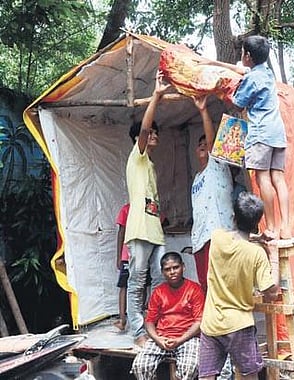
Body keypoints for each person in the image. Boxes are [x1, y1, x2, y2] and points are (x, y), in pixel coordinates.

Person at [201, 35, 291, 241]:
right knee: (279, 178)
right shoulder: (266, 73)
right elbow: (241, 70)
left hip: (261, 133)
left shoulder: (252, 79)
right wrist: (212, 62)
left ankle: (271, 227)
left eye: (242, 53)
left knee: (263, 178)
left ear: (248, 56)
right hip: (277, 132)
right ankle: (285, 227)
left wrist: (218, 91)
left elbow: (238, 104)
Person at [198, 192, 280, 380]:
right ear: (258, 222)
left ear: (234, 218)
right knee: (250, 376)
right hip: (239, 325)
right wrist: (273, 254)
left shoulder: (217, 238)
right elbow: (272, 292)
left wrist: (257, 237)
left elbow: (235, 238)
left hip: (211, 323)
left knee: (206, 377)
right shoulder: (256, 254)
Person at [125, 71, 171, 348]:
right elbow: (143, 129)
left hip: (155, 232)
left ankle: (154, 325)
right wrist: (157, 95)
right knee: (137, 281)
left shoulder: (150, 165)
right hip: (140, 230)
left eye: (155, 133)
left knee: (158, 279)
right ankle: (137, 331)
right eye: (150, 133)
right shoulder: (137, 157)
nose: (153, 136)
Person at [131, 252, 205, 380]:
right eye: (167, 269)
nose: (172, 272)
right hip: (162, 337)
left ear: (183, 267)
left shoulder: (194, 289)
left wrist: (179, 340)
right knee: (140, 365)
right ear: (162, 272)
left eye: (175, 267)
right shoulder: (158, 292)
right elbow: (149, 322)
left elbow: (199, 322)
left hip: (187, 337)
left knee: (190, 367)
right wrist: (158, 339)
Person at [190, 94, 235, 294]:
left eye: (205, 144)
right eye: (199, 144)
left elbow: (210, 141)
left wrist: (203, 110)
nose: (203, 145)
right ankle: (213, 323)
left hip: (217, 233)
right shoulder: (197, 177)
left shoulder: (217, 165)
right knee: (206, 285)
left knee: (221, 284)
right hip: (200, 237)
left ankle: (228, 324)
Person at [113, 203, 130, 331]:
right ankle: (122, 318)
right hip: (127, 254)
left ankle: (139, 317)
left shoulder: (149, 206)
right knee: (123, 286)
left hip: (143, 254)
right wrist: (119, 256)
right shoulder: (126, 209)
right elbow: (121, 233)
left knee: (143, 286)